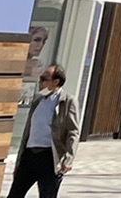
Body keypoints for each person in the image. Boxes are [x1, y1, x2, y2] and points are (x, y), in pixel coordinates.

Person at [8, 63, 80, 198]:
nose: (39, 82)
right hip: (29, 156)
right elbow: (28, 130)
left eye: (43, 79)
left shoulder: (67, 101)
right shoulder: (38, 100)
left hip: (49, 157)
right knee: (15, 194)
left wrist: (68, 158)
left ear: (56, 81)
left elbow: (73, 132)